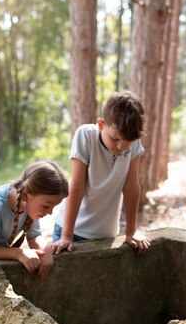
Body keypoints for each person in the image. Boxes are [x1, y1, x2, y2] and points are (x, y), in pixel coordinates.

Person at [51, 90, 151, 254]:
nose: (121, 147)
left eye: (128, 142)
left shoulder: (133, 142)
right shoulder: (86, 136)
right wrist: (66, 235)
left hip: (106, 234)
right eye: (115, 139)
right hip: (71, 231)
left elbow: (131, 185)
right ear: (101, 124)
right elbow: (76, 186)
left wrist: (131, 231)